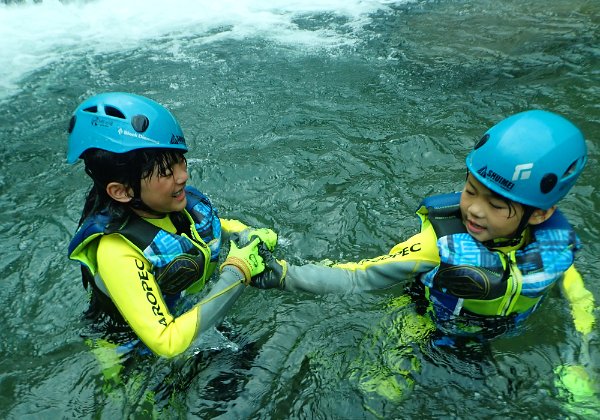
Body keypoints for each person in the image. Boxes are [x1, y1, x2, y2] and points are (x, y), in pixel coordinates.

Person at [251, 110, 597, 405]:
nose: (474, 210)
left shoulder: (551, 246)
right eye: (470, 191)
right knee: (375, 393)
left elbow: (576, 294)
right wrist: (282, 275)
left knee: (575, 400)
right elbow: (359, 276)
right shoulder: (438, 245)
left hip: (502, 335)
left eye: (495, 205)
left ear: (539, 214)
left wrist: (579, 354)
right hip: (424, 320)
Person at [66, 92, 276, 361]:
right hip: (133, 355)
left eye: (180, 161)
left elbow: (207, 225)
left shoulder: (163, 205)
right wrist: (237, 272)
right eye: (167, 172)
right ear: (121, 191)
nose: (183, 176)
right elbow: (167, 343)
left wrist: (243, 233)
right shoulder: (116, 251)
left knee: (255, 358)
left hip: (182, 313)